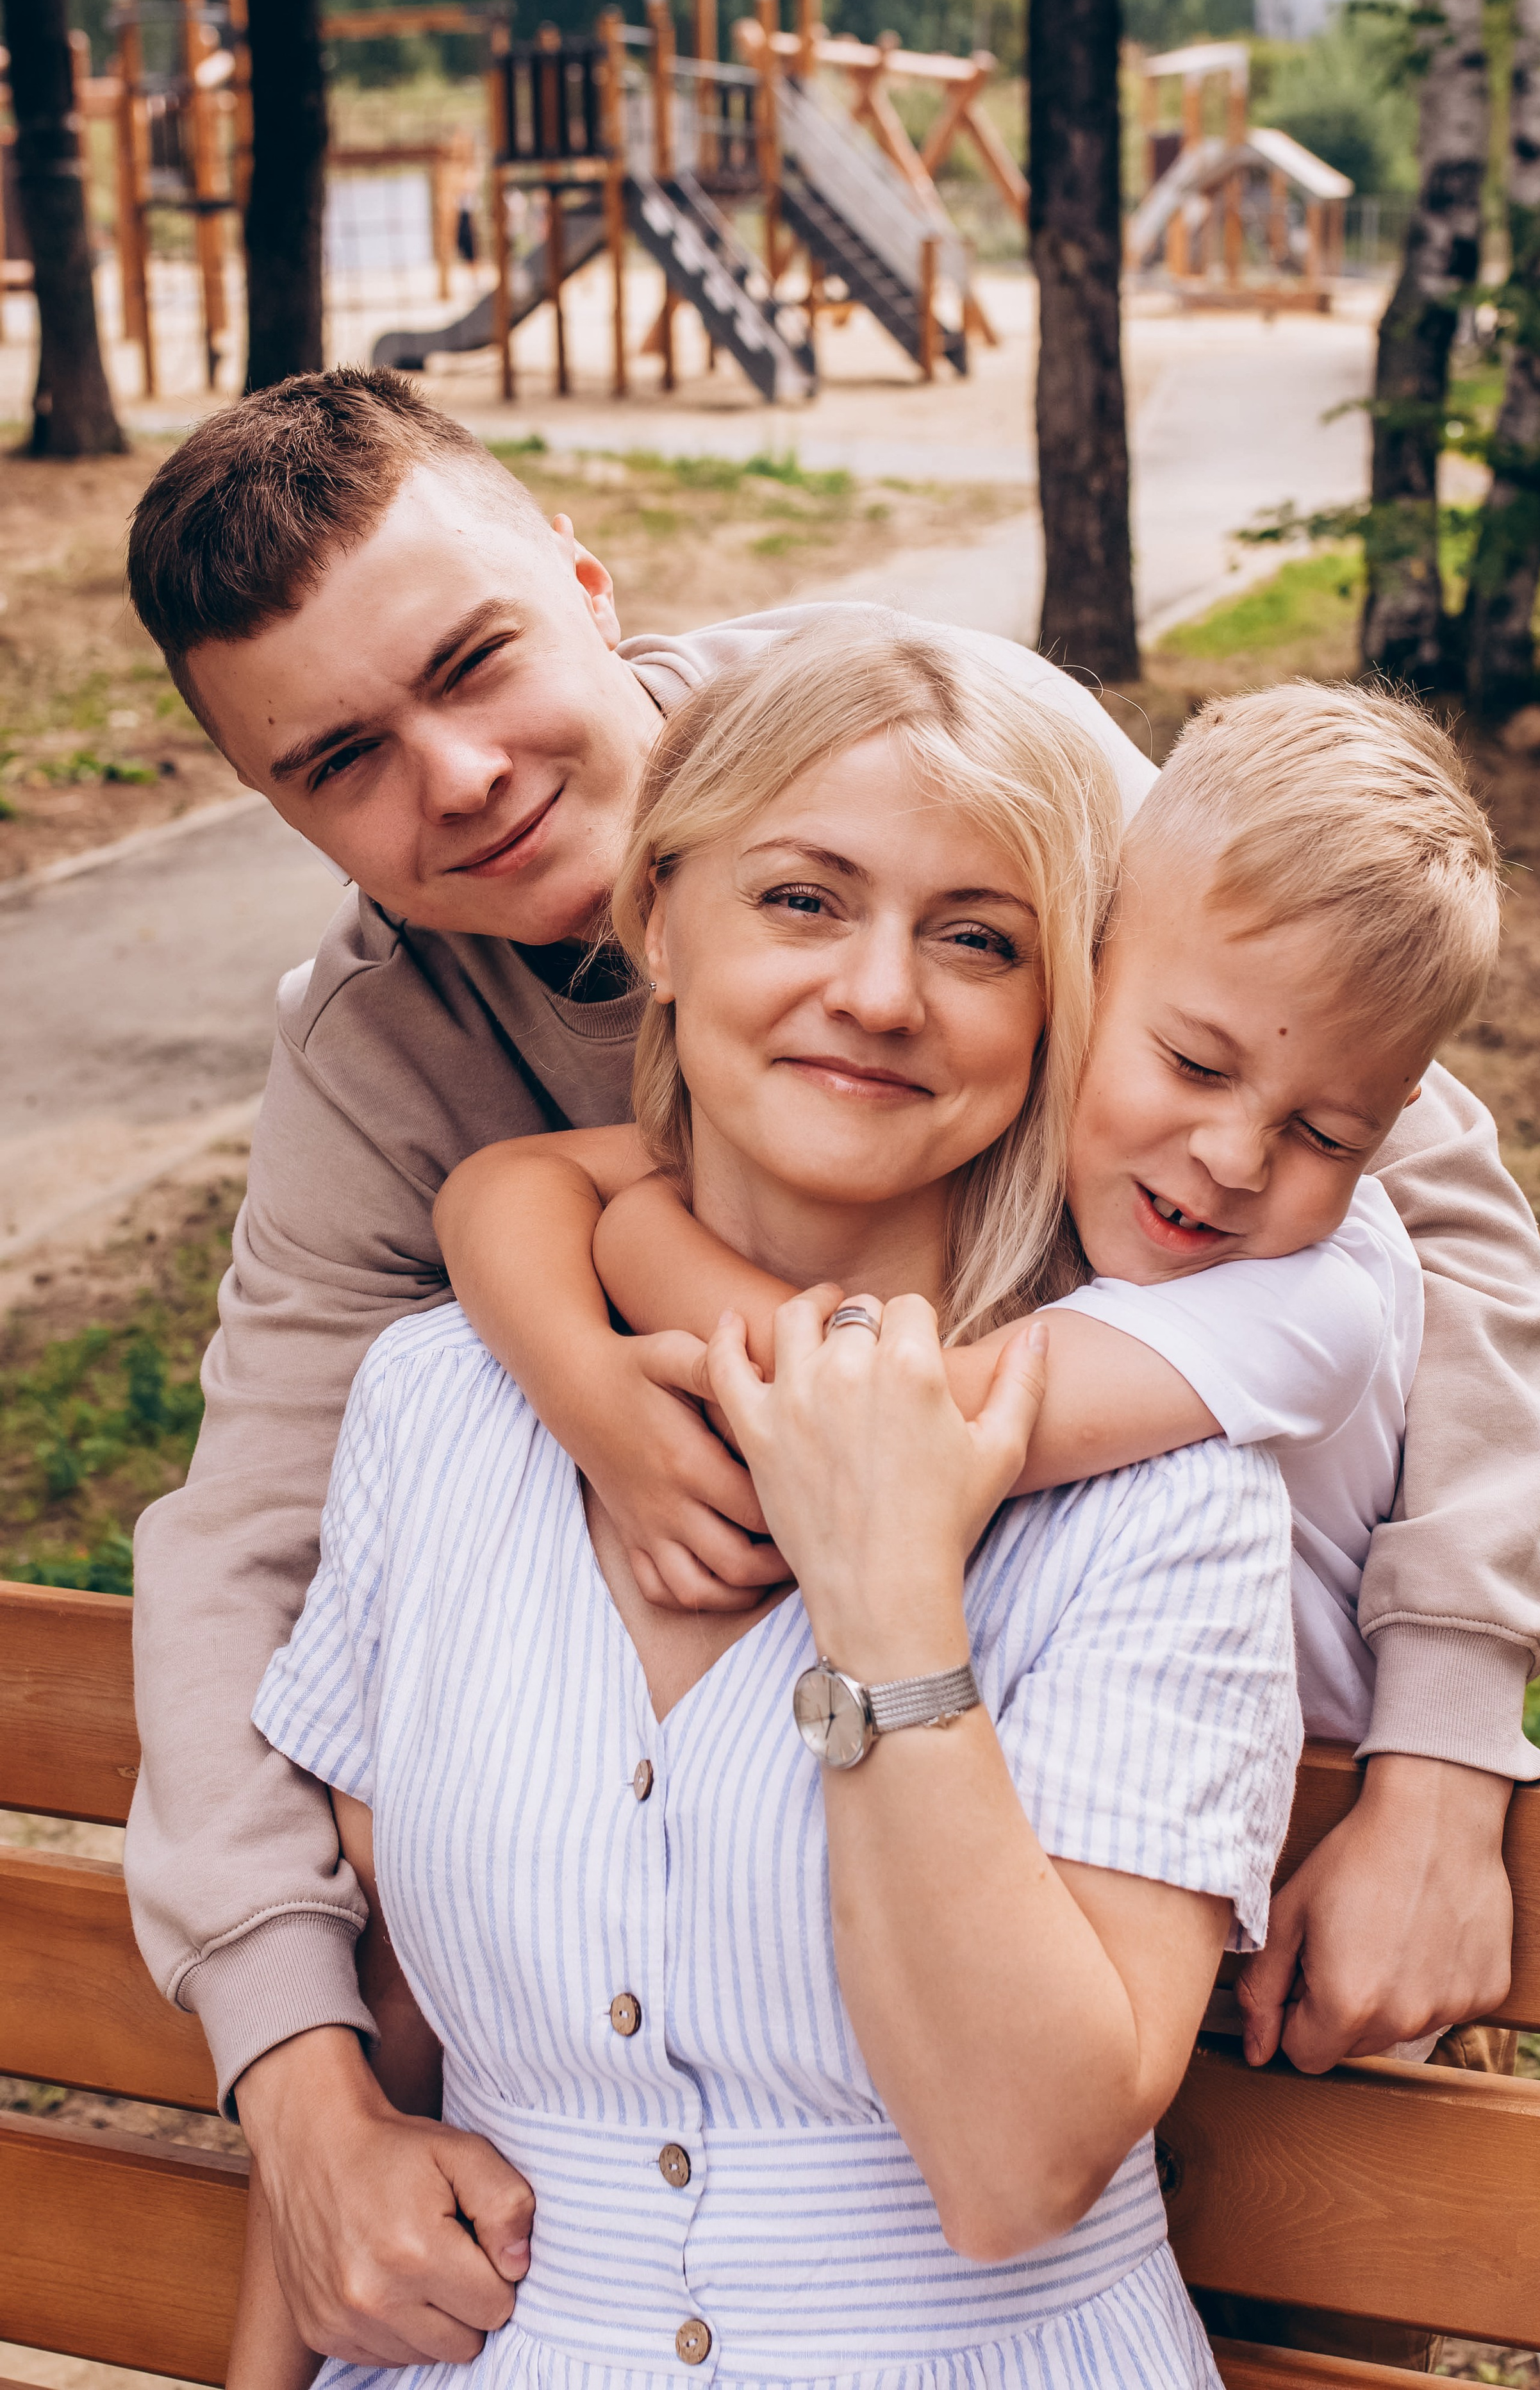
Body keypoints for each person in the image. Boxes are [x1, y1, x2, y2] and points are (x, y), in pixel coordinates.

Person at [121, 369, 1540, 2357]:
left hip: (1175, 1829)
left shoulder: (957, 757)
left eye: (475, 663)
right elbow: (252, 1527)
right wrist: (297, 2089)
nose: (451, 777)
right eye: (343, 759)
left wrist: (1440, 1758)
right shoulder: (381, 1064)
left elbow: (1405, 1194)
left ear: (585, 579)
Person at [236, 623, 1302, 2389]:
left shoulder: (1166, 1489)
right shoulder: (440, 1407)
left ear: (1061, 1010)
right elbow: (395, 2036)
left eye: (979, 939)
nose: (882, 995)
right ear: (657, 921)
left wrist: (889, 1599)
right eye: (804, 901)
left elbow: (1019, 2165)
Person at [440, 676, 1540, 2079]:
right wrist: (586, 1386)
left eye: (1326, 1134)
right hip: (1077, 1861)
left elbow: (891, 1434)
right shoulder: (1052, 1163)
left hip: (1305, 1922)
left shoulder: (1312, 1293)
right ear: (1084, 968)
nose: (1231, 1158)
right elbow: (507, 1185)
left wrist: (640, 1235)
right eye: (1189, 1062)